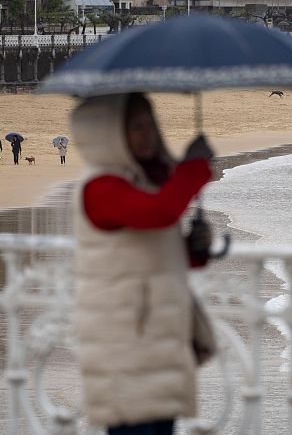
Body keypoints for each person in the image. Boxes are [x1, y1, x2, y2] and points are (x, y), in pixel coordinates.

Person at [71, 93, 215, 435]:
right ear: (111, 133)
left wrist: (193, 249)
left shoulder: (140, 183)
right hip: (126, 344)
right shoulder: (101, 186)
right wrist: (193, 168)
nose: (148, 134)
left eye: (151, 124)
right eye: (136, 126)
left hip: (154, 341)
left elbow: (150, 250)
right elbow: (159, 212)